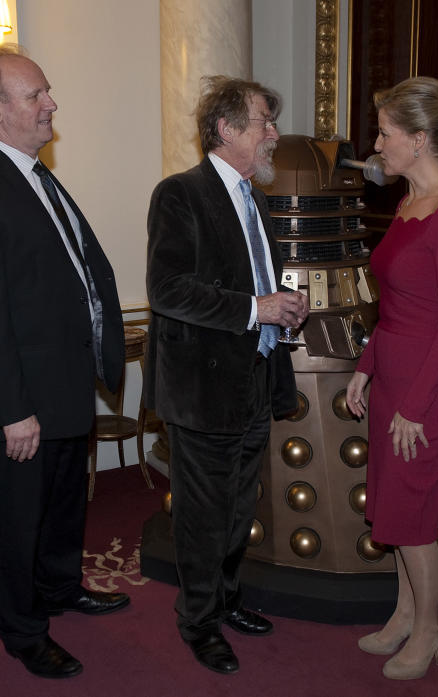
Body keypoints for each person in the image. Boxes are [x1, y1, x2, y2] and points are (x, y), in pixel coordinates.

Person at [0, 44, 129, 680]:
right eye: (35, 95)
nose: (51, 104)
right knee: (17, 524)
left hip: (65, 386)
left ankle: (61, 587)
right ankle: (24, 631)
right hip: (18, 401)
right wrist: (13, 410)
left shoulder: (38, 176)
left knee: (66, 506)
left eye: (46, 92)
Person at [144, 76, 308, 675]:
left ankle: (227, 599)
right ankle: (198, 621)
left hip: (255, 379)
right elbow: (167, 291)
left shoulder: (254, 198)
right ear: (226, 129)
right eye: (264, 121)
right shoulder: (180, 194)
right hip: (204, 388)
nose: (274, 133)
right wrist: (255, 308)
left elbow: (256, 280)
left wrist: (283, 306)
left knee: (240, 508)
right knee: (202, 514)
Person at [345, 76, 438, 681]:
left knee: (416, 517)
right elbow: (396, 306)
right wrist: (366, 367)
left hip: (431, 386)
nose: (377, 144)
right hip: (395, 374)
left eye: (385, 133)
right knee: (392, 509)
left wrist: (415, 407)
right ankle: (405, 611)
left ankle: (431, 627)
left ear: (421, 140)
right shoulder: (407, 204)